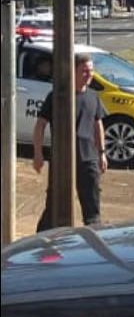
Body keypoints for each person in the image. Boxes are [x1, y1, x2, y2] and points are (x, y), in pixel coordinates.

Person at [32, 52, 108, 231]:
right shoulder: (58, 96)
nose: (88, 75)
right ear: (73, 72)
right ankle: (42, 240)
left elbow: (98, 125)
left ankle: (93, 236)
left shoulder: (93, 96)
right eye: (84, 71)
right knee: (54, 205)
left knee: (92, 205)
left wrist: (102, 153)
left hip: (88, 158)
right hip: (62, 159)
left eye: (90, 71)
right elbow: (40, 125)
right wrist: (38, 153)